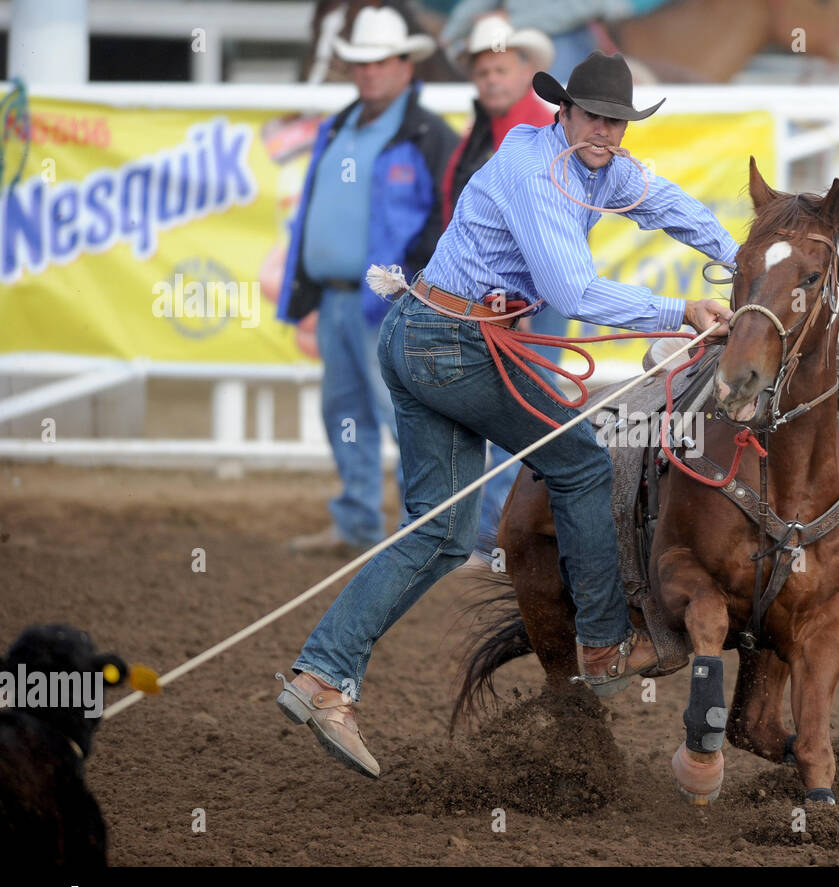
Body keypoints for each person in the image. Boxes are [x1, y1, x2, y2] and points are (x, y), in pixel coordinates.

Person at [276, 52, 736, 778]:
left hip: (423, 334)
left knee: (442, 532)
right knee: (580, 459)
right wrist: (679, 310)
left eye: (617, 122)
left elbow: (669, 204)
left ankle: (322, 676)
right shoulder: (537, 171)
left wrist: (742, 260)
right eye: (595, 117)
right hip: (449, 346)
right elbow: (573, 289)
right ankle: (604, 642)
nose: (607, 133)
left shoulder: (591, 162)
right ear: (566, 111)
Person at [277, 6, 460, 556]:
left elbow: (447, 218)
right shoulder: (341, 125)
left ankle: (420, 529)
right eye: (361, 63)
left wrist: (409, 283)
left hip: (387, 303)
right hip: (336, 299)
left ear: (406, 66)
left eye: (381, 62)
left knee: (395, 412)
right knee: (345, 410)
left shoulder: (429, 135)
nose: (370, 72)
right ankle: (357, 522)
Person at [439, 12, 569, 565]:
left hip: (521, 299)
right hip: (498, 300)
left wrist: (526, 300)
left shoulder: (530, 135)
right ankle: (502, 531)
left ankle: (496, 534)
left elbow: (545, 225)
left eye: (500, 68)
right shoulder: (487, 131)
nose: (490, 78)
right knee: (519, 409)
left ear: (524, 69)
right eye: (483, 69)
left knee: (521, 410)